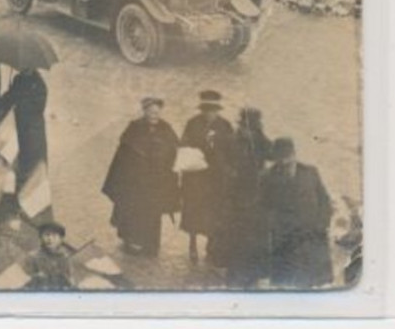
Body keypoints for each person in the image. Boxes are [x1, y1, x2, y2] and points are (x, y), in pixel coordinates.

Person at [101, 97, 181, 256]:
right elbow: (124, 151)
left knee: (153, 213)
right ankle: (132, 241)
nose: (154, 116)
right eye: (151, 112)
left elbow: (174, 148)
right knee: (134, 211)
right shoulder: (134, 127)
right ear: (144, 112)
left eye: (157, 113)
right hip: (136, 181)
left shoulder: (166, 128)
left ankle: (151, 245)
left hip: (156, 181)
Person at [260, 137, 334, 289]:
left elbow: (325, 201)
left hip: (311, 235)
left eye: (288, 158)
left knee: (311, 281)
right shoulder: (267, 177)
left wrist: (322, 224)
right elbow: (263, 207)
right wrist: (275, 226)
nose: (285, 163)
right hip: (284, 238)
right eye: (280, 160)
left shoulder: (310, 172)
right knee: (286, 282)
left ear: (294, 154)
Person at [180, 90, 235, 264]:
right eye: (206, 110)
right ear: (202, 110)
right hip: (196, 177)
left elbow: (231, 150)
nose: (210, 113)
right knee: (194, 211)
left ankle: (212, 248)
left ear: (218, 110)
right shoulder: (193, 123)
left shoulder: (225, 126)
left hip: (216, 178)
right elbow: (184, 145)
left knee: (215, 213)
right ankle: (192, 244)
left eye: (213, 110)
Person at [223, 107, 275, 287]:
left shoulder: (259, 140)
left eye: (252, 128)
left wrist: (260, 136)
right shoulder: (232, 141)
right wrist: (231, 173)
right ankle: (236, 273)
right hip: (237, 195)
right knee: (237, 234)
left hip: (256, 194)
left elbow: (272, 153)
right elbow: (223, 163)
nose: (247, 131)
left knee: (256, 235)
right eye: (246, 127)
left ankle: (255, 272)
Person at [24, 222, 76, 290]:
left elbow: (70, 279)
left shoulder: (65, 257)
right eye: (47, 235)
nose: (50, 239)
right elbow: (25, 281)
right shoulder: (33, 257)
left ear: (61, 239)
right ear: (41, 238)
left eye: (54, 236)